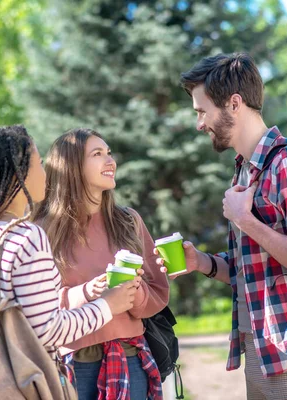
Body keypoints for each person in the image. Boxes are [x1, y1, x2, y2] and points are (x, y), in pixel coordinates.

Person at [156, 53, 287, 399]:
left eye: (201, 111)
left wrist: (244, 219)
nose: (199, 123)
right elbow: (252, 267)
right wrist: (202, 263)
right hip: (261, 345)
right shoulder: (245, 171)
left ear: (234, 103)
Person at [0, 125, 142, 400]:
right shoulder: (27, 238)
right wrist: (107, 306)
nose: (46, 172)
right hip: (16, 389)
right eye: (39, 163)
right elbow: (49, 331)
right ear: (21, 175)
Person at [34, 128, 169, 400]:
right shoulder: (41, 230)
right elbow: (35, 307)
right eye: (97, 154)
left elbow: (159, 294)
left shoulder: (129, 220)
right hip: (73, 363)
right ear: (71, 166)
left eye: (109, 153)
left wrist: (134, 291)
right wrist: (87, 293)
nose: (111, 161)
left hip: (131, 358)